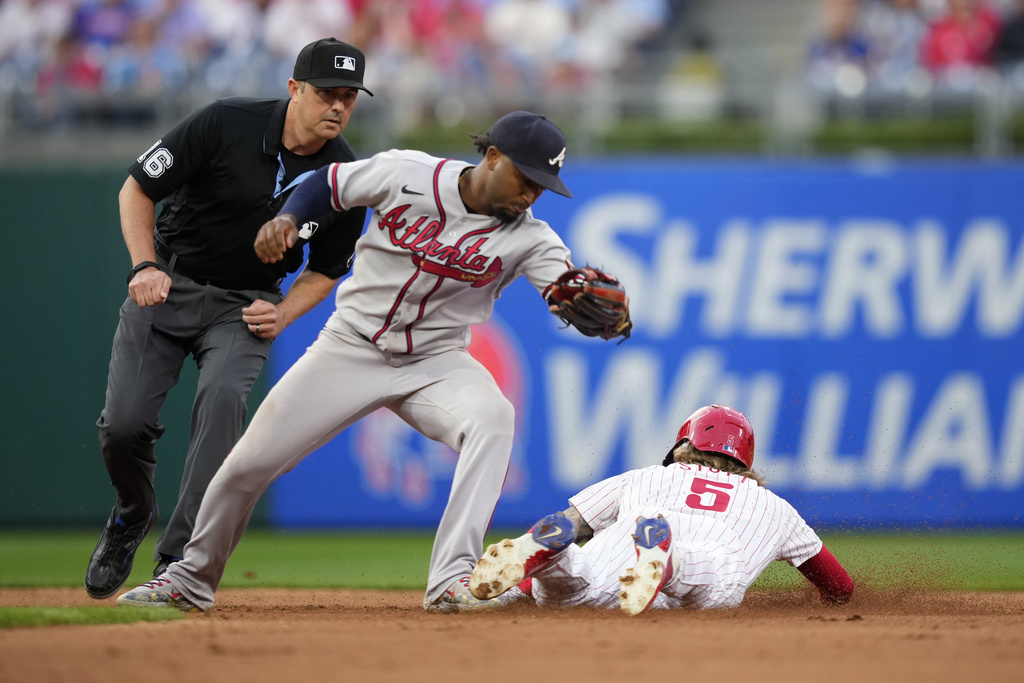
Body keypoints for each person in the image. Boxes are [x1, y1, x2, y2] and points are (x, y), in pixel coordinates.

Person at [115, 110, 631, 613]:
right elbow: (329, 182)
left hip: (438, 362)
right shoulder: (408, 173)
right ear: (493, 157)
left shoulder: (533, 238)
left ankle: (453, 580)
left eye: (543, 186)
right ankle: (188, 580)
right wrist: (291, 216)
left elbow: (562, 284)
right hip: (350, 348)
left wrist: (587, 303)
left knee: (493, 419)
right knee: (247, 465)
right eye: (527, 177)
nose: (531, 194)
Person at [85, 37, 371, 600]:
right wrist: (143, 263)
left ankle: (178, 562)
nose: (337, 106)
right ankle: (132, 512)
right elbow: (137, 188)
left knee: (223, 407)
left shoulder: (343, 177)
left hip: (245, 306)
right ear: (294, 89)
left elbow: (329, 267)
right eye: (324, 93)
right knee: (122, 426)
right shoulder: (226, 122)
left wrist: (286, 311)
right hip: (168, 284)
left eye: (348, 96)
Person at [469, 404, 855, 614]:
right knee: (713, 582)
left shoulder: (646, 476)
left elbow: (571, 525)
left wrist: (512, 593)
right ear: (745, 459)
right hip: (693, 562)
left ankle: (553, 565)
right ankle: (670, 564)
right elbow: (840, 587)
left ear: (683, 444)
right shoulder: (776, 508)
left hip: (617, 561)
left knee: (575, 585)